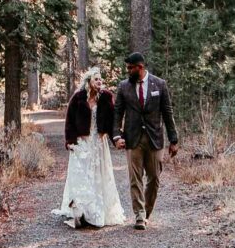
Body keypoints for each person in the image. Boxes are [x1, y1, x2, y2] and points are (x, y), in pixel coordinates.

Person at [51, 70, 130, 229]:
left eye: (101, 79)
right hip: (82, 143)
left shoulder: (106, 97)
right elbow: (70, 121)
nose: (100, 81)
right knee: (82, 177)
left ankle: (97, 212)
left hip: (99, 143)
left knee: (98, 176)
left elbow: (113, 120)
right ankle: (81, 213)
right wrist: (70, 141)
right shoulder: (78, 97)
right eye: (96, 79)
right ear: (88, 81)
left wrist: (116, 138)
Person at [111, 53, 179, 228]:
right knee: (135, 178)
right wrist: (117, 136)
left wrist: (174, 139)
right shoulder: (124, 86)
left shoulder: (160, 84)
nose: (128, 71)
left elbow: (167, 113)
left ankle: (147, 211)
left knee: (154, 177)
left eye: (130, 68)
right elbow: (118, 113)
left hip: (155, 138)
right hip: (132, 138)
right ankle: (139, 215)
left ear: (140, 67)